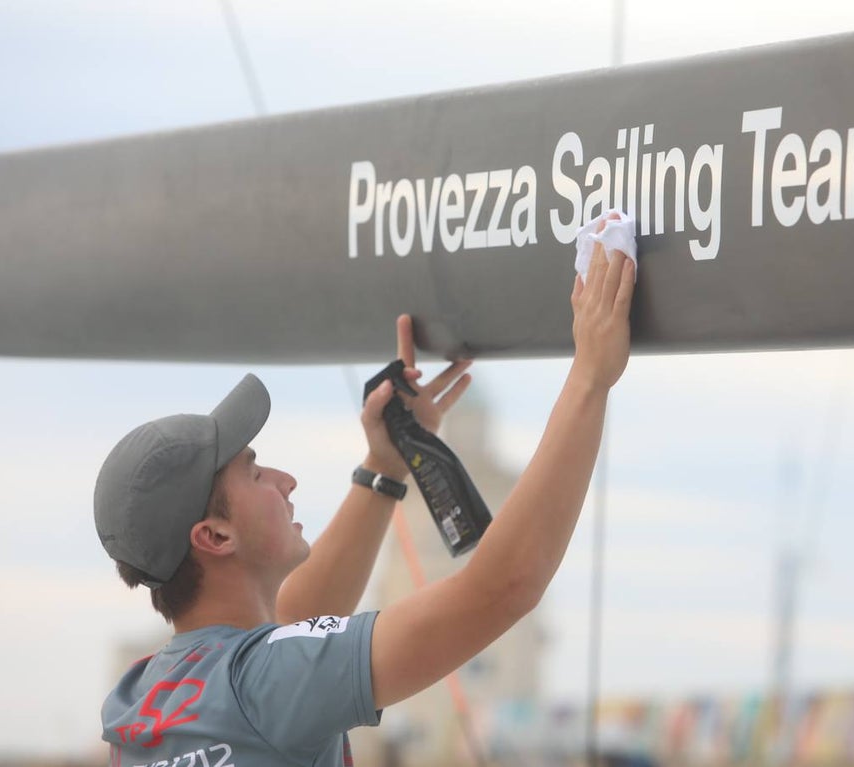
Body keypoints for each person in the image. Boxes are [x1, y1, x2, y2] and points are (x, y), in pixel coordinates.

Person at [94, 229, 635, 765]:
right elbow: (502, 587)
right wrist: (591, 374)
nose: (286, 480)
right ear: (214, 535)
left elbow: (291, 624)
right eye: (254, 472)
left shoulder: (142, 698)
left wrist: (383, 465)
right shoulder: (266, 683)